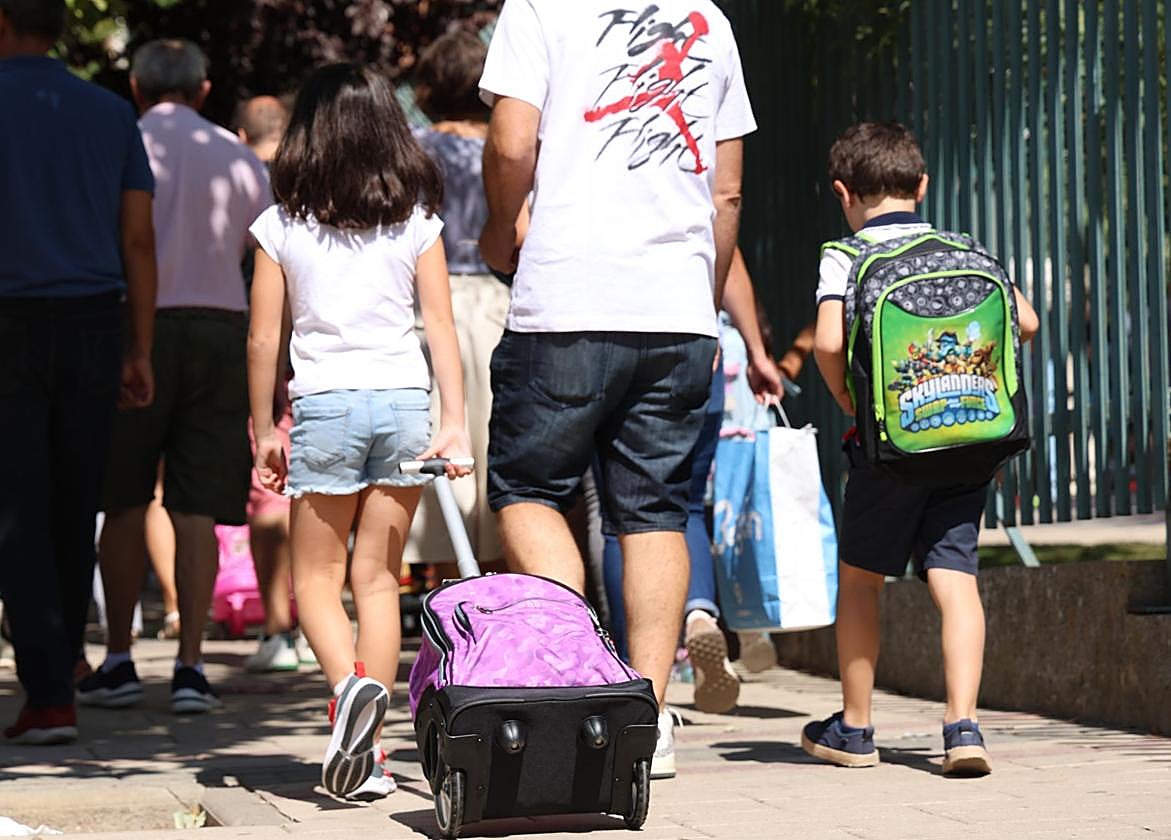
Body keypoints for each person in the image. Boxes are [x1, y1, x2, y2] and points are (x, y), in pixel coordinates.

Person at [478, 0, 756, 778]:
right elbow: (726, 190)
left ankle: (572, 682)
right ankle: (649, 719)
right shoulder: (708, 16)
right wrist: (700, 290)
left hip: (566, 298)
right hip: (675, 306)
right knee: (654, 510)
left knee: (530, 488)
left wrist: (503, 227)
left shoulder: (538, 7)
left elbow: (508, 140)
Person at [248, 63, 471, 802]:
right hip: (405, 403)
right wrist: (455, 424)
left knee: (313, 580)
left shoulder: (281, 225)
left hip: (326, 406)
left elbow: (261, 339)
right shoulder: (416, 221)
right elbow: (438, 326)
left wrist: (263, 431)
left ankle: (347, 690)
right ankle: (370, 758)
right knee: (376, 579)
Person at [803, 121, 1039, 775]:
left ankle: (853, 728)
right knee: (955, 578)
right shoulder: (962, 246)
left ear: (842, 192)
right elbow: (1025, 321)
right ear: (921, 186)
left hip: (890, 451)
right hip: (967, 442)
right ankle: (962, 726)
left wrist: (849, 400)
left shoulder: (843, 255)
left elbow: (826, 342)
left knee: (860, 582)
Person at [80, 40, 271, 714]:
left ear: (134, 86)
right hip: (220, 326)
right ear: (205, 88)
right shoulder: (237, 154)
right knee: (196, 507)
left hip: (135, 324)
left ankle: (121, 657)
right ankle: (191, 664)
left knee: (125, 496)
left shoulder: (118, 141)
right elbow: (260, 245)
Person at [0, 0, 156, 744]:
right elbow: (138, 237)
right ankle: (59, 676)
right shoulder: (107, 111)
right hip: (96, 320)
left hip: (8, 320)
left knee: (16, 509)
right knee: (72, 505)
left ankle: (48, 688)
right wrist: (140, 345)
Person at [597, 247, 782, 715]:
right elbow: (731, 257)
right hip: (699, 350)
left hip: (607, 346)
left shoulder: (585, 178)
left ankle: (635, 682)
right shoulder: (692, 175)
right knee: (685, 506)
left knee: (626, 519)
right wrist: (758, 352)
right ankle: (700, 613)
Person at [404, 30, 511, 574]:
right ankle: (498, 589)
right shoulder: (506, 144)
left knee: (440, 446)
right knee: (495, 446)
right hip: (496, 302)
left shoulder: (414, 148)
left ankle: (450, 587)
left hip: (429, 309)